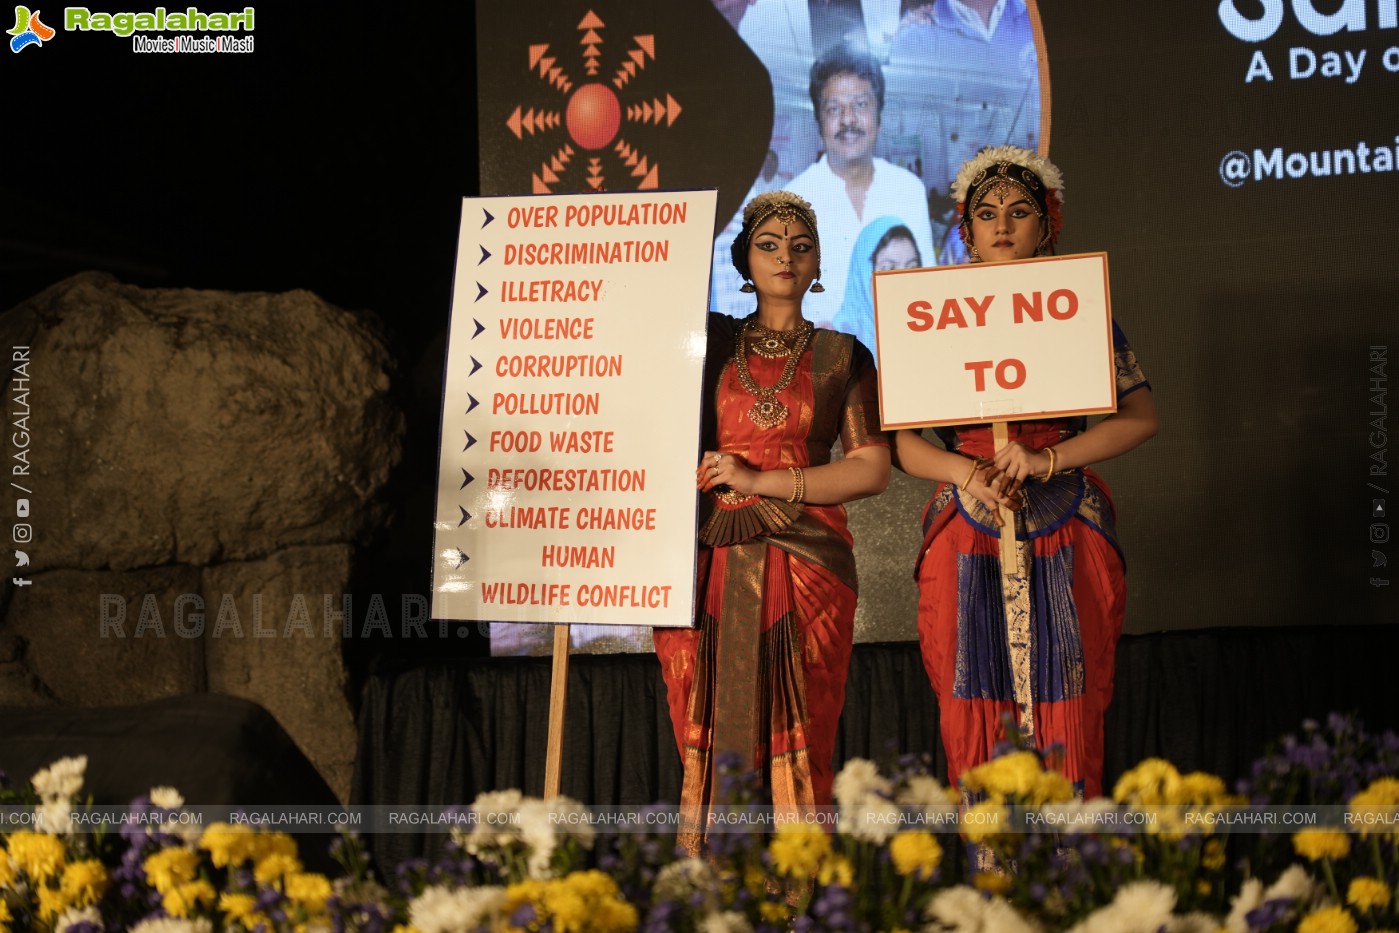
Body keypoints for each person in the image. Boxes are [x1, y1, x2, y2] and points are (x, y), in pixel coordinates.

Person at [890, 146, 1158, 799]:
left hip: (1067, 517)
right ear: (966, 230)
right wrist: (964, 472)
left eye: (1018, 211)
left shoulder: (1078, 307)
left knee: (1071, 690)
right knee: (970, 697)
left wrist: (1048, 458)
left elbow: (1141, 417)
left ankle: (1065, 852)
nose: (1002, 225)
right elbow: (902, 444)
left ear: (1046, 224)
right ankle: (992, 856)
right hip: (966, 522)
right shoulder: (930, 313)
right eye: (986, 214)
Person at [654, 191, 890, 844]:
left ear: (817, 265)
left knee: (805, 728)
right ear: (743, 260)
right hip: (703, 560)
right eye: (768, 244)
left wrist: (762, 481)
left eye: (800, 245)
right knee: (699, 720)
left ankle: (798, 885)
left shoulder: (843, 355)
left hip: (807, 558)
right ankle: (714, 880)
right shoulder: (707, 342)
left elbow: (871, 468)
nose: (785, 255)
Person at [787, 41, 936, 327]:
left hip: (901, 342)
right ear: (818, 124)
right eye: (834, 109)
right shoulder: (791, 201)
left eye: (861, 104)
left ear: (879, 118)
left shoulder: (908, 190)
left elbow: (927, 283)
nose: (848, 119)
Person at [830, 216, 922, 367]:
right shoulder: (836, 344)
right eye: (889, 268)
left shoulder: (928, 330)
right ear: (863, 274)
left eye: (912, 267)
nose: (903, 280)